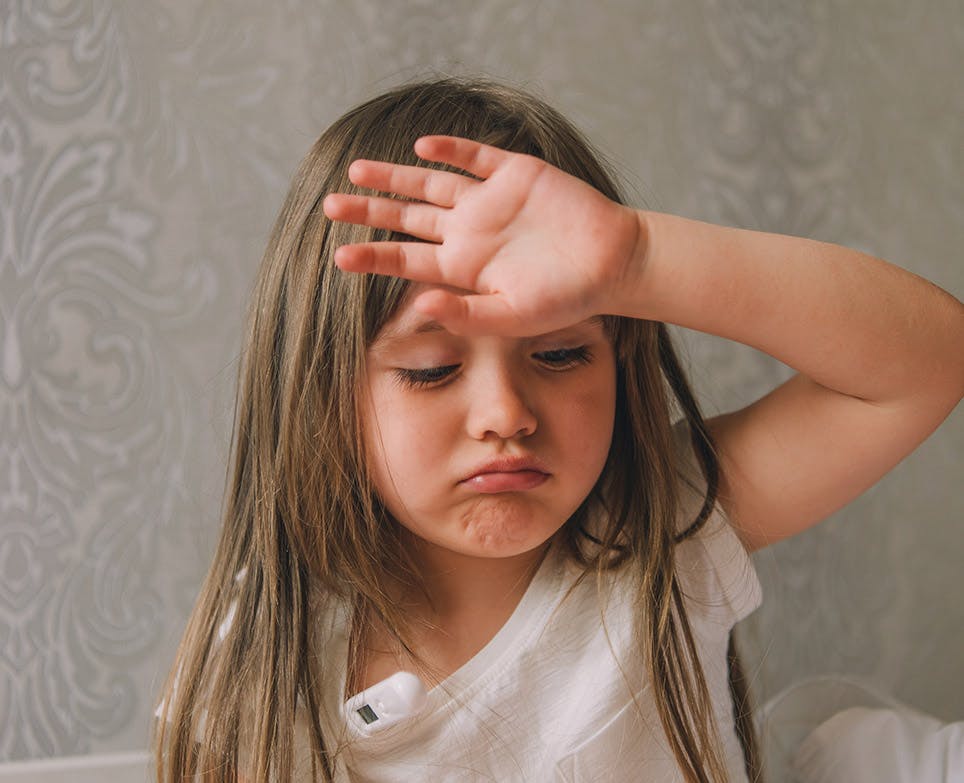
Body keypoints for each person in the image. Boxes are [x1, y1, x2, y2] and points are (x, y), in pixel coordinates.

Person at [152, 78, 964, 783]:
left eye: (563, 352)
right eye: (432, 370)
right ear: (319, 398)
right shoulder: (263, 665)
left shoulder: (664, 536)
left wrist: (641, 258)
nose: (506, 414)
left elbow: (928, 363)